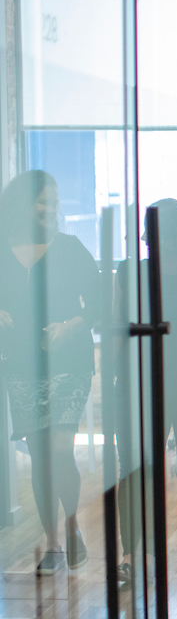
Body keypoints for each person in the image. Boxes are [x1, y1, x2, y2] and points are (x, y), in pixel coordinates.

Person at [0, 170, 100, 575]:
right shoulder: (3, 249)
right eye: (45, 201)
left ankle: (73, 524)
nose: (53, 208)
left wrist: (69, 327)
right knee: (41, 456)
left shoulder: (72, 248)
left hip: (68, 362)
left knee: (59, 450)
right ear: (24, 204)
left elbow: (99, 303)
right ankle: (54, 542)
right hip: (22, 364)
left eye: (56, 202)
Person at [116, 199, 177, 580]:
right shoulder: (129, 272)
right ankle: (130, 554)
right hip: (140, 381)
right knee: (135, 469)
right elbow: (118, 330)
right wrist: (115, 382)